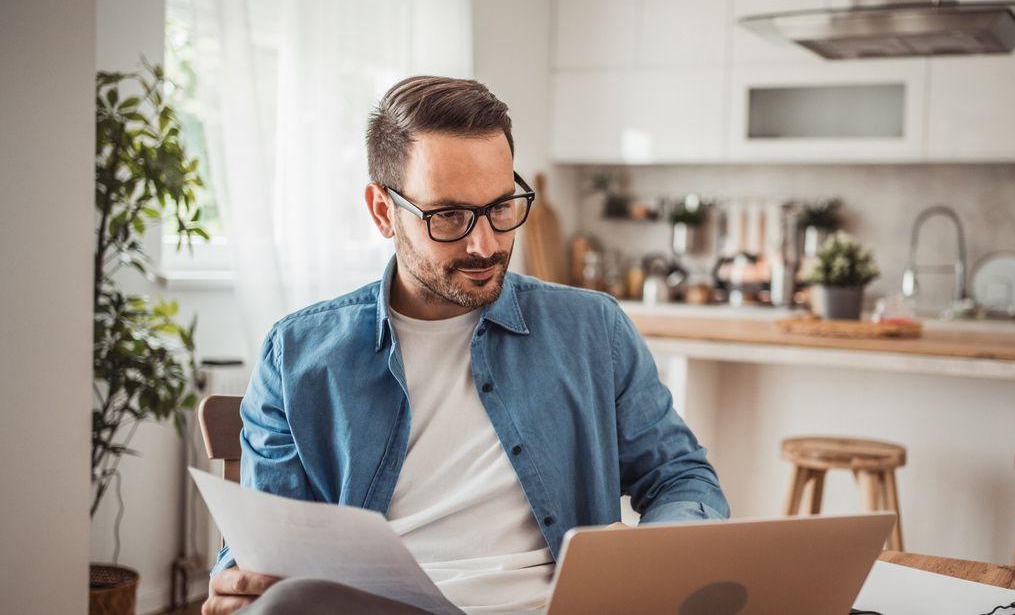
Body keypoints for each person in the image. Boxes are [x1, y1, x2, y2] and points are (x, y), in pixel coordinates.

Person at [203, 76, 728, 615]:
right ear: (384, 211)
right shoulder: (298, 354)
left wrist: (648, 549)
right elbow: (267, 545)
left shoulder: (593, 329)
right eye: (449, 216)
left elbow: (683, 479)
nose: (485, 244)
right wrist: (239, 578)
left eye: (502, 207)